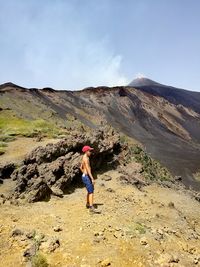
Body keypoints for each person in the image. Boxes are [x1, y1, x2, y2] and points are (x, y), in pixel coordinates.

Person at [80, 145, 99, 213]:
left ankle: (88, 204)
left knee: (89, 191)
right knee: (91, 192)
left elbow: (80, 167)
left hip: (84, 176)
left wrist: (83, 174)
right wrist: (92, 178)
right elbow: (88, 169)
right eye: (90, 151)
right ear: (86, 151)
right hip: (87, 177)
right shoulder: (86, 159)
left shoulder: (84, 157)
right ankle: (91, 207)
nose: (91, 152)